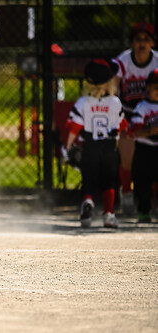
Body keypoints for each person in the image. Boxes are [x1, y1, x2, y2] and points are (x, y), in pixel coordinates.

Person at [65, 59, 124, 228]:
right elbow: (120, 127)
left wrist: (68, 146)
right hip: (109, 147)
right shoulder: (115, 103)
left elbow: (75, 127)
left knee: (89, 181)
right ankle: (108, 214)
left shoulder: (83, 102)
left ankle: (88, 201)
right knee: (108, 183)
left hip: (90, 147)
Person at [113, 22, 158, 215]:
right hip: (129, 112)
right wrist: (118, 119)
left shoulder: (157, 62)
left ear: (152, 43)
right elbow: (112, 92)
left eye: (146, 40)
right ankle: (127, 192)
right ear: (132, 43)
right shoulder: (122, 62)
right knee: (128, 156)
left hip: (155, 114)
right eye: (138, 39)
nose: (142, 44)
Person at [129, 68, 158, 223]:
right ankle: (144, 212)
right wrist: (150, 131)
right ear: (147, 88)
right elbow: (134, 131)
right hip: (145, 149)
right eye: (155, 88)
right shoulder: (142, 107)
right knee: (142, 182)